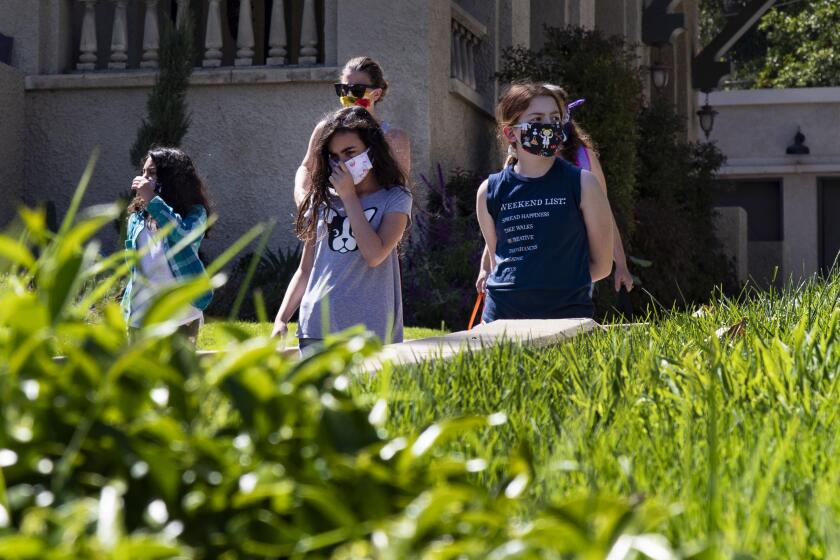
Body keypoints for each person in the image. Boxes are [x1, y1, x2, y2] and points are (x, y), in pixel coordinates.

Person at [272, 107, 413, 349]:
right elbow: (306, 269)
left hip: (370, 332)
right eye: (335, 156)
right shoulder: (323, 200)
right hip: (316, 327)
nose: (343, 164)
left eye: (350, 152)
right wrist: (281, 319)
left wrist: (349, 197)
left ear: (372, 150)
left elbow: (375, 255)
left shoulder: (396, 198)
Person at [475, 82, 614, 321]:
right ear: (511, 132)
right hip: (501, 319)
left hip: (566, 318)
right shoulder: (489, 191)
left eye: (554, 118)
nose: (548, 126)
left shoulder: (583, 184)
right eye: (537, 119)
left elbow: (602, 266)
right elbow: (499, 257)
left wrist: (556, 285)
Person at [122, 147, 214, 343]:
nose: (144, 178)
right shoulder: (137, 217)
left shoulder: (196, 213)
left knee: (178, 373)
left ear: (173, 179)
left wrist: (153, 200)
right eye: (143, 172)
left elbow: (182, 236)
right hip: (141, 317)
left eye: (152, 173)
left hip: (182, 317)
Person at [293, 56, 411, 208]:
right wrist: (303, 201)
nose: (348, 96)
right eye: (343, 89)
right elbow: (307, 168)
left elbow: (400, 192)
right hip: (332, 221)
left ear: (376, 94)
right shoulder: (325, 129)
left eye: (357, 90)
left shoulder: (393, 137)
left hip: (374, 221)